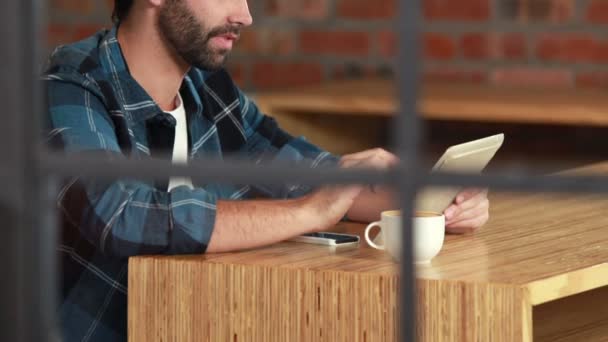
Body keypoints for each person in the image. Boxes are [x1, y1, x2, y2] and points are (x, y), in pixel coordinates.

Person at [43, 0, 490, 340]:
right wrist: (311, 210)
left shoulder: (208, 91)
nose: (246, 15)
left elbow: (316, 176)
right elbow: (120, 215)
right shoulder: (71, 85)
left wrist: (438, 206)